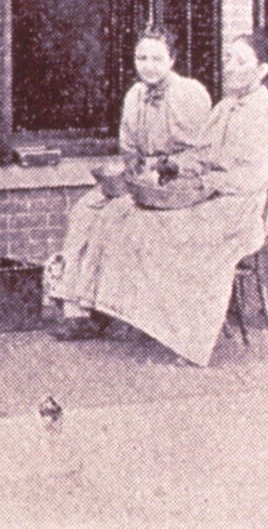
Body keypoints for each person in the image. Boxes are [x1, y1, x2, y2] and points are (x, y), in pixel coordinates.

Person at [65, 33, 268, 366]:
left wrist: (204, 183)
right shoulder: (225, 107)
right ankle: (147, 321)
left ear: (263, 70)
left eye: (241, 62)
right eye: (228, 59)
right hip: (213, 195)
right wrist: (173, 166)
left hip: (244, 205)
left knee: (181, 239)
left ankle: (190, 340)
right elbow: (201, 155)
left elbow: (252, 177)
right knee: (140, 222)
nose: (229, 67)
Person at [48, 27, 212, 340]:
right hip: (141, 178)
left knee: (115, 215)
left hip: (176, 183)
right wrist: (128, 169)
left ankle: (107, 307)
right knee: (85, 209)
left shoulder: (189, 93)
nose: (148, 65)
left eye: (157, 58)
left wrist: (162, 169)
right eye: (142, 57)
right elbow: (130, 148)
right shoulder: (135, 95)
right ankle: (77, 309)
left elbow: (201, 153)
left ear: (172, 60)